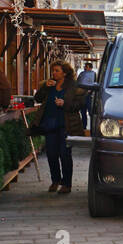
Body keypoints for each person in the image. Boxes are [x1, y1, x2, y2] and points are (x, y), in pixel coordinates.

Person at [32, 61, 86, 194]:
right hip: (50, 124)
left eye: (57, 70)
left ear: (65, 72)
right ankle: (55, 181)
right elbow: (37, 99)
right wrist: (44, 86)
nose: (54, 73)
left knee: (65, 154)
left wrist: (65, 103)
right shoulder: (49, 84)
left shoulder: (74, 86)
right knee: (51, 154)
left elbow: (80, 104)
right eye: (53, 70)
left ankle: (67, 184)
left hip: (66, 125)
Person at [76, 60, 98, 133]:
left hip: (89, 96)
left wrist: (90, 91)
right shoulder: (82, 74)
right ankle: (84, 128)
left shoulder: (93, 74)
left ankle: (92, 128)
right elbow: (78, 83)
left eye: (86, 67)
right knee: (83, 112)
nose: (85, 68)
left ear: (90, 68)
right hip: (83, 96)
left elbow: (94, 83)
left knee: (90, 112)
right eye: (85, 66)